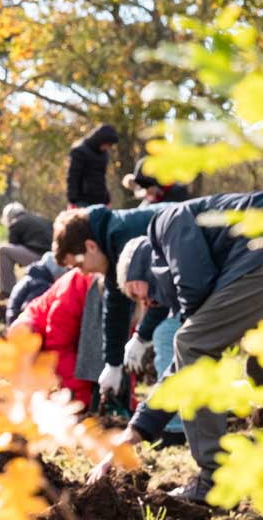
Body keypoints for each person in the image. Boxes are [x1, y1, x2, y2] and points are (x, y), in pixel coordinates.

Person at [91, 192, 263, 502]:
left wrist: (190, 325)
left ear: (142, 267)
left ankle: (215, 479)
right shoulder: (212, 258)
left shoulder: (164, 224)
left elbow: (194, 296)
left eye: (136, 293)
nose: (145, 304)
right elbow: (182, 371)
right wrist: (136, 431)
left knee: (189, 342)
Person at [52, 203, 169, 399]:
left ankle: (175, 428)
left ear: (90, 246)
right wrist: (113, 364)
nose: (83, 272)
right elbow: (116, 307)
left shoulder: (124, 238)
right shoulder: (112, 247)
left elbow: (163, 292)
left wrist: (141, 336)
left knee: (166, 335)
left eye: (79, 264)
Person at [10, 268, 100, 407]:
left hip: (69, 340)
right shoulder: (70, 294)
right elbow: (59, 348)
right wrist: (82, 398)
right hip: (43, 338)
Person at [0, 203, 54, 295]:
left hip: (39, 256)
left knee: (3, 251)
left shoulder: (16, 223)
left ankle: (8, 289)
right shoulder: (40, 218)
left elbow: (13, 246)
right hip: (53, 258)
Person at [5, 251, 68, 325]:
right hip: (21, 325)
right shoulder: (41, 285)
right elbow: (27, 309)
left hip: (12, 318)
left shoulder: (31, 277)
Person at [66, 124, 119, 208]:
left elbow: (102, 178)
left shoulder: (104, 154)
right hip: (82, 200)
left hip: (100, 200)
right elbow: (73, 176)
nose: (108, 147)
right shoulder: (79, 150)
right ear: (101, 140)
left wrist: (107, 199)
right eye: (108, 144)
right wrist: (72, 200)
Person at [122, 159, 189, 207]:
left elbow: (154, 191)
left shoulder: (140, 176)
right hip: (166, 195)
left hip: (172, 192)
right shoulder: (138, 188)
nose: (133, 187)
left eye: (131, 185)